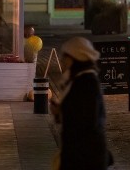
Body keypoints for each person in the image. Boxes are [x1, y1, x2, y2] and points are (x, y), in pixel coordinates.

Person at [52, 37, 111, 170]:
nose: (62, 61)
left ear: (74, 58)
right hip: (77, 152)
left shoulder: (88, 82)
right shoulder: (77, 79)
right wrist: (59, 112)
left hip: (85, 156)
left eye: (65, 57)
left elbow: (89, 120)